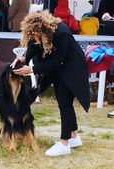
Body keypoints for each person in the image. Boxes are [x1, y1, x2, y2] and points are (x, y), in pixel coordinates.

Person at [10, 11, 90, 156]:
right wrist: (24, 58)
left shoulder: (62, 33)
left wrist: (32, 69)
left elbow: (57, 60)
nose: (34, 38)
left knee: (65, 103)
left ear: (42, 29)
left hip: (73, 68)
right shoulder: (42, 32)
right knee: (63, 102)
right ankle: (74, 136)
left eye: (34, 35)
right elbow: (35, 45)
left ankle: (64, 143)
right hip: (60, 68)